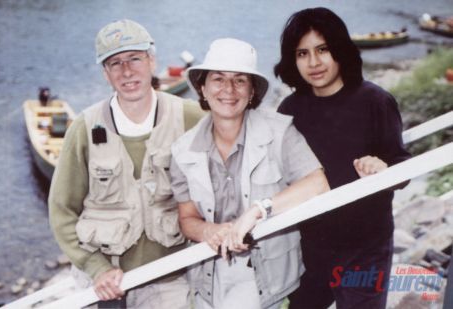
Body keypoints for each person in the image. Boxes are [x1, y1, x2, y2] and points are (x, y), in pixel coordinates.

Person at [48, 19, 204, 308]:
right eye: (115, 63)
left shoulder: (191, 117)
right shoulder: (83, 129)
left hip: (169, 278)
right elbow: (62, 211)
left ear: (152, 60)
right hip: (103, 282)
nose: (127, 71)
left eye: (135, 58)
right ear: (105, 73)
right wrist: (96, 268)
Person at [169, 38, 329, 309]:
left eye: (240, 80)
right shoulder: (183, 150)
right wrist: (210, 230)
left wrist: (258, 210)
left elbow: (318, 184)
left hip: (268, 272)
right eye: (218, 79)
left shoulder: (280, 132)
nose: (228, 89)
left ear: (252, 90)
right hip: (207, 276)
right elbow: (187, 219)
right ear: (202, 88)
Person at [274, 7, 411, 309]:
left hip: (365, 246)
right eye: (302, 53)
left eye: (323, 49)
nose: (314, 62)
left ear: (340, 50)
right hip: (309, 245)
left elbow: (403, 168)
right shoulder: (289, 110)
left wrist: (384, 169)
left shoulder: (374, 101)